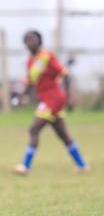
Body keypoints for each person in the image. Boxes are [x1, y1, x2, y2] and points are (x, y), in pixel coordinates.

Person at [11, 30, 88, 176]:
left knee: (34, 129)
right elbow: (29, 84)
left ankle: (25, 166)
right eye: (27, 39)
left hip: (54, 98)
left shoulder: (47, 57)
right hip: (46, 99)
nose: (30, 42)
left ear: (40, 41)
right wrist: (19, 97)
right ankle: (82, 165)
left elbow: (65, 74)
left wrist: (69, 98)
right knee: (63, 134)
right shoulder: (30, 62)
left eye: (33, 39)